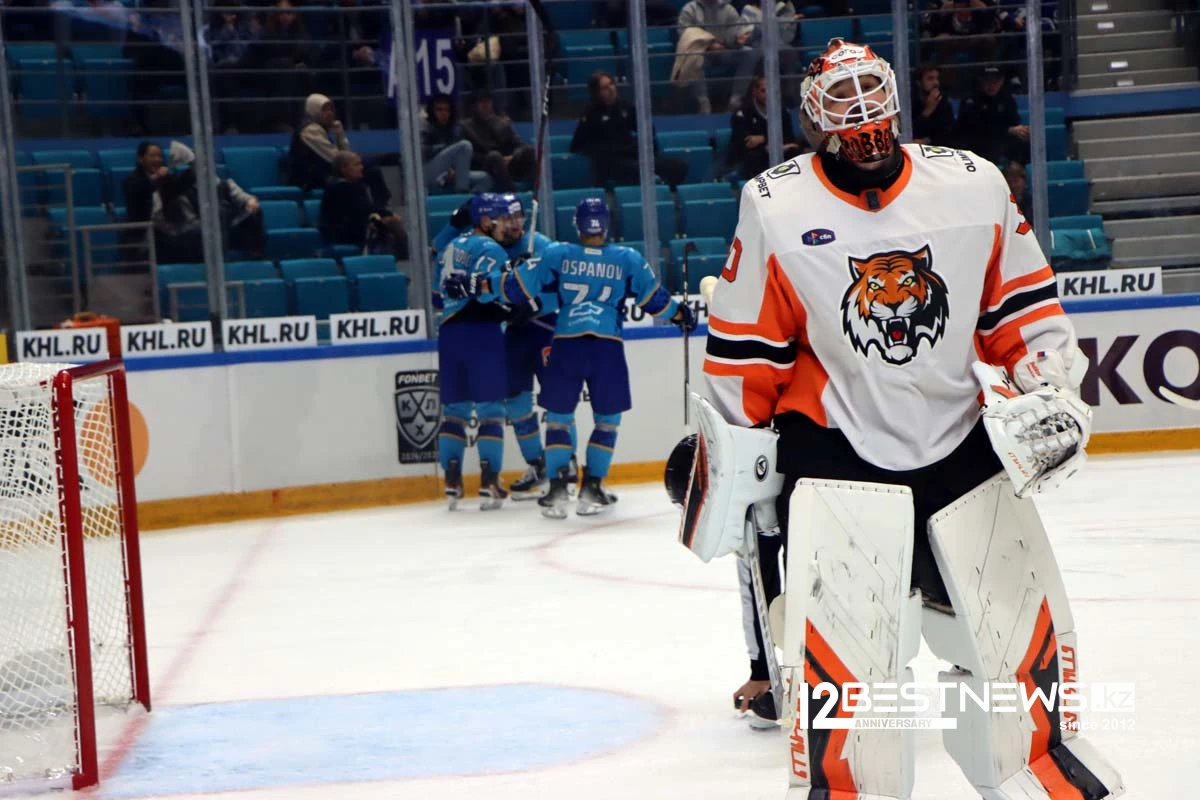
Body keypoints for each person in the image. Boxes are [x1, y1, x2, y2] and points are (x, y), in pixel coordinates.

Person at [675, 39, 1123, 799]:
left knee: (1012, 633)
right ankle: (850, 786)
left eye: (872, 99)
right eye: (842, 105)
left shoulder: (971, 183)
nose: (863, 119)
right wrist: (734, 449)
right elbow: (749, 347)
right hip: (835, 450)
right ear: (815, 121)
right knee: (850, 660)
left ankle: (1037, 767)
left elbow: (1021, 309)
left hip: (963, 443)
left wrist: (1048, 385)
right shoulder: (776, 204)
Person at [472, 198, 696, 517]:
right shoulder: (627, 258)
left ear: (577, 224)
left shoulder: (558, 253)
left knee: (558, 418)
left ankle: (557, 490)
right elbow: (653, 299)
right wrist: (680, 314)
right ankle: (592, 488)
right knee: (608, 419)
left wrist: (483, 285)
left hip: (567, 343)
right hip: (606, 346)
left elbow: (518, 286)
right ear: (606, 224)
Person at [435, 193, 517, 509]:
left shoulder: (449, 246)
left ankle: (452, 481)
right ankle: (489, 481)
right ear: (485, 220)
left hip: (449, 332)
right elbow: (489, 294)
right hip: (482, 331)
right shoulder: (491, 248)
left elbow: (437, 295)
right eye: (502, 219)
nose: (507, 225)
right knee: (490, 410)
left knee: (454, 410)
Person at [569, 71, 688, 187]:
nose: (611, 89)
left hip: (634, 155)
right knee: (637, 171)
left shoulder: (625, 106)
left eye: (612, 84)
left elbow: (646, 129)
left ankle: (665, 191)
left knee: (679, 166)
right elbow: (577, 145)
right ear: (597, 93)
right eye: (605, 88)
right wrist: (602, 151)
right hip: (613, 162)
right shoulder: (590, 113)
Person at [319, 151, 408, 259]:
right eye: (356, 165)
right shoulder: (340, 187)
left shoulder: (354, 185)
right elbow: (362, 210)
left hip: (355, 225)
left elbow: (366, 209)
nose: (361, 167)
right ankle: (403, 257)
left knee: (390, 222)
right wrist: (381, 219)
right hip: (341, 232)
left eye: (361, 164)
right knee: (393, 223)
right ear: (344, 169)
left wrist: (386, 215)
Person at [675, 0, 758, 114]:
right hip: (701, 52)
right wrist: (709, 44)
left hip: (724, 50)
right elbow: (685, 34)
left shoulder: (728, 9)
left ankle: (736, 100)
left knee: (749, 53)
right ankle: (703, 103)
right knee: (694, 57)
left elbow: (733, 33)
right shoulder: (689, 9)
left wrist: (737, 39)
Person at [725, 74, 803, 179]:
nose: (767, 95)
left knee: (795, 151)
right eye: (763, 91)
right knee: (753, 157)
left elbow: (789, 137)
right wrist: (769, 143)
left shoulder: (782, 110)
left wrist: (763, 139)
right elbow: (745, 142)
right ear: (755, 91)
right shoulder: (743, 112)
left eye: (771, 91)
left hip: (779, 150)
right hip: (754, 156)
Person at [461, 90, 536, 192]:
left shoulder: (502, 123)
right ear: (473, 106)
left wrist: (512, 156)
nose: (486, 106)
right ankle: (513, 193)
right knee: (494, 156)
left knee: (530, 151)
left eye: (488, 102)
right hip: (485, 165)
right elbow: (468, 155)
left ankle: (536, 191)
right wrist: (495, 158)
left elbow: (520, 145)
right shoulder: (466, 127)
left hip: (508, 163)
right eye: (482, 102)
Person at [954, 64, 1029, 164]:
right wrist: (1007, 129)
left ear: (1002, 81)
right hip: (976, 144)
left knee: (1024, 140)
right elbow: (975, 129)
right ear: (981, 80)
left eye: (995, 81)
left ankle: (1018, 169)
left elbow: (1014, 121)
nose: (991, 85)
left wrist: (1020, 130)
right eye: (988, 80)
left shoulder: (1006, 98)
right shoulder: (970, 100)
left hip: (1001, 141)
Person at [421, 93, 493, 193]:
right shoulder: (425, 126)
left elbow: (461, 158)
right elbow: (422, 152)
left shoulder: (453, 129)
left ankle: (468, 200)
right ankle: (462, 190)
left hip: (448, 173)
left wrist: (453, 169)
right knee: (465, 145)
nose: (443, 113)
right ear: (431, 111)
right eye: (439, 110)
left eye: (447, 110)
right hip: (426, 173)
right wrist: (445, 149)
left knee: (485, 178)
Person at [910, 63, 954, 146]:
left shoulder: (943, 101)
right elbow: (911, 132)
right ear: (919, 83)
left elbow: (947, 133)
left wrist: (928, 140)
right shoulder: (910, 103)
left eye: (937, 79)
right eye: (930, 79)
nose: (936, 83)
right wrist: (927, 111)